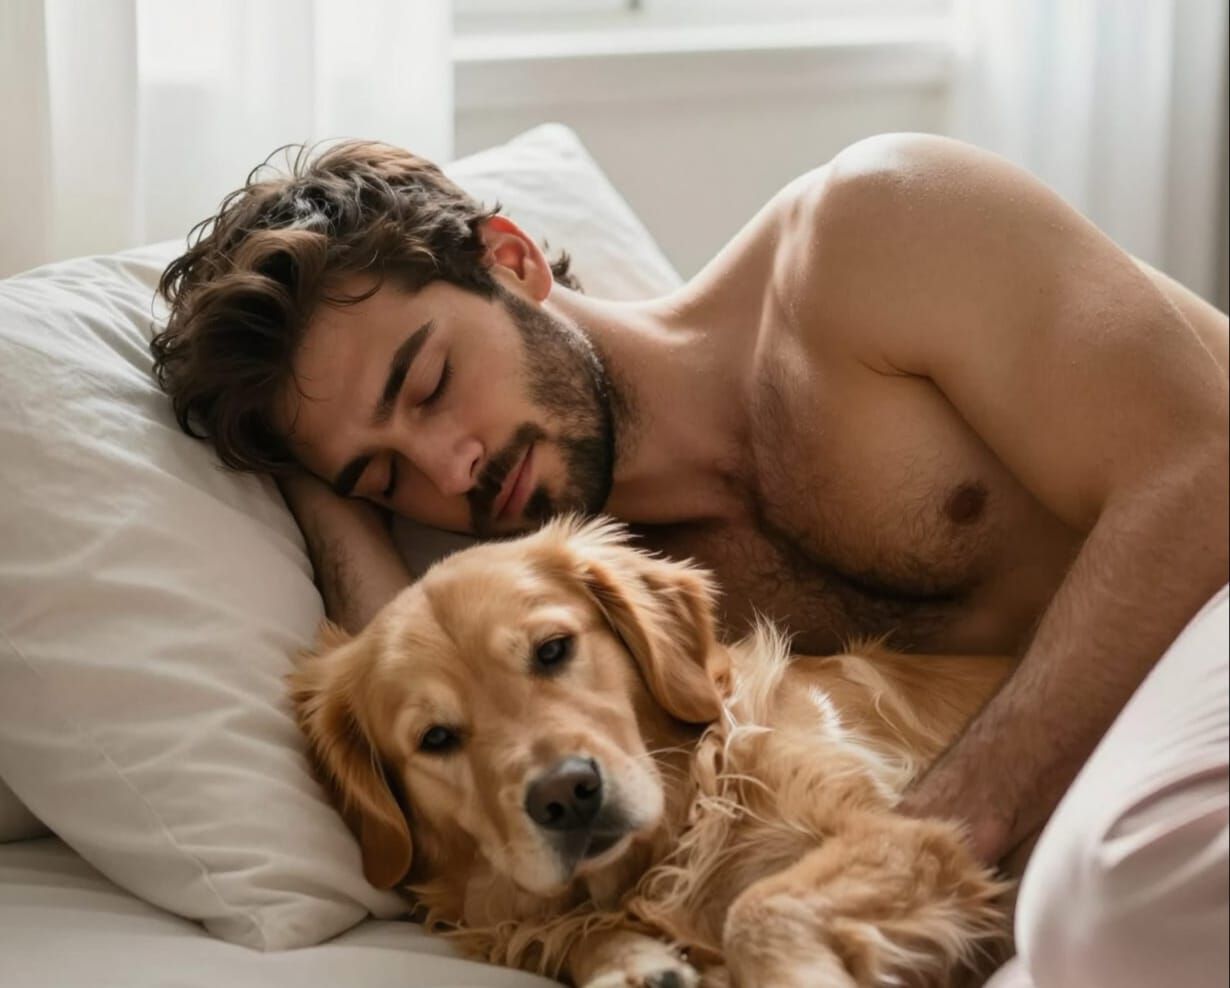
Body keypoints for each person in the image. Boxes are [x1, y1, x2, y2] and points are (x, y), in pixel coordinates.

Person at [150, 134, 1228, 982]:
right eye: (387, 476)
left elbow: (1205, 466)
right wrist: (320, 496)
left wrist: (922, 843)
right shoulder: (616, 616)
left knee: (1108, 897)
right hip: (1118, 774)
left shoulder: (869, 232)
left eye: (429, 386)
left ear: (512, 260)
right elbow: (417, 697)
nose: (450, 467)